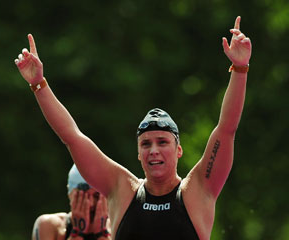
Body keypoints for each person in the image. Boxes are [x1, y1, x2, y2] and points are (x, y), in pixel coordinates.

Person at [15, 16, 251, 240]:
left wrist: (240, 69)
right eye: (146, 144)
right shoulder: (122, 190)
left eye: (162, 141)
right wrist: (39, 84)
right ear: (138, 153)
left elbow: (226, 129)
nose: (154, 150)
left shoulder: (197, 191)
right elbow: (72, 136)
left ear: (179, 150)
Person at [32, 164, 111, 240]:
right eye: (83, 196)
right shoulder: (50, 226)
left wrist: (101, 234)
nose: (90, 203)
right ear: (70, 194)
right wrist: (77, 234)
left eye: (97, 196)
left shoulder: (116, 227)